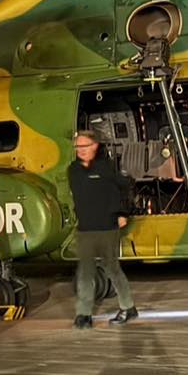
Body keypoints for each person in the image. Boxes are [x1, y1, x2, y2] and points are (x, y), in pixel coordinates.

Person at [67, 129, 137, 329]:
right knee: (85, 272)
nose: (80, 150)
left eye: (85, 146)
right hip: (85, 228)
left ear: (95, 146)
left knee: (112, 269)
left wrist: (123, 212)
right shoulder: (73, 170)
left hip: (106, 227)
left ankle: (128, 308)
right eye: (78, 146)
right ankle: (84, 314)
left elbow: (124, 186)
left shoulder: (105, 168)